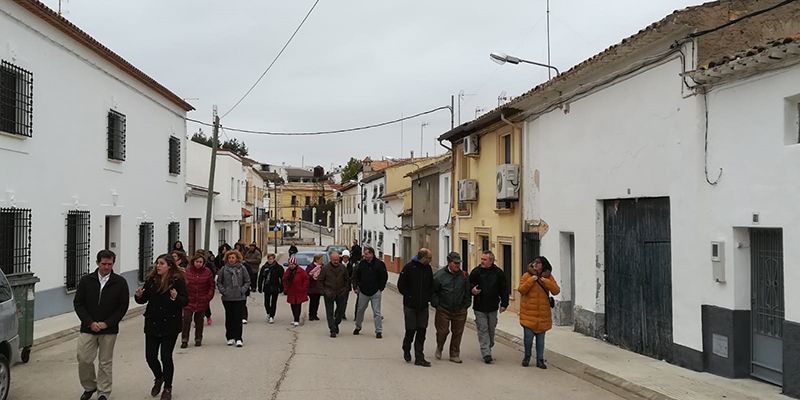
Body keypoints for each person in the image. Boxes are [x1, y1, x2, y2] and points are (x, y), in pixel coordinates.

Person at [74, 250, 130, 400]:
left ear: (113, 264)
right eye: (103, 264)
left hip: (109, 329)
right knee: (84, 359)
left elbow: (122, 306)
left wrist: (107, 323)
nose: (106, 267)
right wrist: (90, 322)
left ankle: (103, 392)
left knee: (105, 362)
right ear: (97, 263)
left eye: (109, 264)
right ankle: (89, 386)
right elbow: (78, 303)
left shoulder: (120, 282)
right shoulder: (86, 281)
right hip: (88, 328)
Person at [134, 254, 188, 400]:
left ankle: (168, 388)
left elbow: (184, 301)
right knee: (150, 357)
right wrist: (138, 296)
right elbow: (143, 299)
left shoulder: (177, 281)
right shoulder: (151, 280)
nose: (158, 266)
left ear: (169, 266)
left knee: (166, 357)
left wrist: (176, 297)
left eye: (161, 263)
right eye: (157, 263)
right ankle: (159, 377)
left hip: (170, 324)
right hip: (152, 323)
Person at [518, 256, 561, 369]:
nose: (536, 265)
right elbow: (521, 289)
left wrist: (545, 281)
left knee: (540, 340)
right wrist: (531, 280)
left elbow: (556, 290)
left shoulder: (548, 277)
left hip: (543, 314)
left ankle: (540, 360)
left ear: (543, 265)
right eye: (534, 262)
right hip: (528, 313)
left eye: (538, 263)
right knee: (528, 339)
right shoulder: (527, 275)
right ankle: (527, 357)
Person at [469, 250, 509, 364]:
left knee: (491, 330)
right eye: (481, 259)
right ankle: (486, 353)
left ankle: (489, 345)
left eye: (484, 259)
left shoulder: (498, 273)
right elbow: (469, 284)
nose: (482, 261)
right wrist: (472, 290)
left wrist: (504, 304)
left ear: (491, 261)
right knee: (483, 329)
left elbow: (504, 289)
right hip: (479, 307)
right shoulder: (476, 272)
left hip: (492, 307)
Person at [431, 252, 471, 364]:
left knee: (457, 332)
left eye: (459, 263)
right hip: (443, 309)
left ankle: (454, 354)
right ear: (449, 263)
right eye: (455, 263)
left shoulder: (464, 276)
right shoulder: (439, 276)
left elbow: (467, 291)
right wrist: (436, 304)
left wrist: (466, 305)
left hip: (460, 310)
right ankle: (439, 346)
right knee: (442, 331)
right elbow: (433, 292)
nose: (458, 265)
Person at [397, 248, 434, 367]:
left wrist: (428, 297)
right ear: (423, 257)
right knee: (411, 330)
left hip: (423, 306)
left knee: (422, 330)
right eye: (429, 258)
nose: (431, 260)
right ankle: (406, 347)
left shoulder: (428, 269)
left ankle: (419, 357)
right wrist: (409, 296)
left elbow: (431, 285)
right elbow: (401, 285)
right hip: (410, 305)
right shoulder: (409, 267)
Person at [216, 250, 250, 347]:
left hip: (239, 297)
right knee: (229, 318)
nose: (231, 260)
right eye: (229, 258)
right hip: (227, 298)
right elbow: (219, 282)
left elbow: (247, 281)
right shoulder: (223, 269)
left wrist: (242, 290)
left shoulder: (242, 268)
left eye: (233, 258)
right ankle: (230, 337)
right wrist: (224, 291)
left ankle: (238, 338)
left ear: (237, 258)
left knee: (238, 318)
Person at [352, 246, 388, 338]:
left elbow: (384, 277)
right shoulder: (361, 264)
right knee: (360, 310)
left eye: (367, 254)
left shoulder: (379, 264)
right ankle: (358, 327)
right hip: (363, 292)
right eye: (364, 254)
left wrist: (381, 288)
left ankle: (378, 331)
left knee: (377, 312)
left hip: (375, 292)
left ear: (372, 254)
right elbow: (356, 275)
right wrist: (356, 287)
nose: (365, 256)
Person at [181, 253, 215, 348]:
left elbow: (211, 286)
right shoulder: (187, 272)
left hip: (202, 300)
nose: (198, 264)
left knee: (199, 321)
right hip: (189, 300)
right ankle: (184, 339)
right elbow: (182, 286)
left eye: (200, 262)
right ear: (193, 262)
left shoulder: (207, 272)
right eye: (197, 262)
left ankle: (198, 338)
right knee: (186, 320)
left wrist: (208, 297)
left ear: (203, 263)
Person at [318, 252, 350, 337]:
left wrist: (345, 290)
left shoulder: (343, 268)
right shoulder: (325, 268)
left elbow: (347, 280)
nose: (336, 261)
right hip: (329, 293)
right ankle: (332, 329)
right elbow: (320, 281)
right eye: (334, 260)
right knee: (330, 313)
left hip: (341, 293)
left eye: (337, 260)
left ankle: (336, 324)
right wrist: (323, 292)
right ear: (331, 259)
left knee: (341, 311)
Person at [257, 253, 284, 323]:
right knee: (266, 302)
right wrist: (260, 286)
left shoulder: (279, 267)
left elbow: (282, 278)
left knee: (273, 302)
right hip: (267, 286)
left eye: (271, 259)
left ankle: (272, 315)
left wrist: (282, 287)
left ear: (274, 259)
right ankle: (268, 312)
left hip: (275, 286)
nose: (270, 260)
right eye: (269, 259)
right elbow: (261, 278)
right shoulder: (264, 267)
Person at [283, 256, 309, 326]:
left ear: (295, 264)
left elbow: (306, 279)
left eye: (293, 264)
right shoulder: (287, 271)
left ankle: (296, 319)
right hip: (291, 291)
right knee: (292, 305)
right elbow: (284, 279)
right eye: (290, 264)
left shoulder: (300, 271)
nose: (291, 266)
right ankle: (295, 317)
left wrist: (303, 287)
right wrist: (285, 288)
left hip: (299, 291)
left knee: (298, 305)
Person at [305, 254, 324, 321]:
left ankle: (315, 314)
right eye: (321, 260)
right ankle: (311, 315)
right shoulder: (311, 266)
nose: (322, 261)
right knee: (312, 301)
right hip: (312, 287)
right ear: (316, 260)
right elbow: (307, 275)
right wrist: (313, 276)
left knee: (317, 302)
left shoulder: (322, 267)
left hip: (318, 287)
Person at [340, 250, 352, 321]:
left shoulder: (350, 266)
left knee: (345, 301)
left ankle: (343, 313)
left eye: (347, 257)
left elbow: (352, 275)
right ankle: (338, 312)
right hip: (339, 286)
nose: (345, 259)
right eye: (344, 257)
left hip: (347, 286)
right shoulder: (339, 265)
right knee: (339, 301)